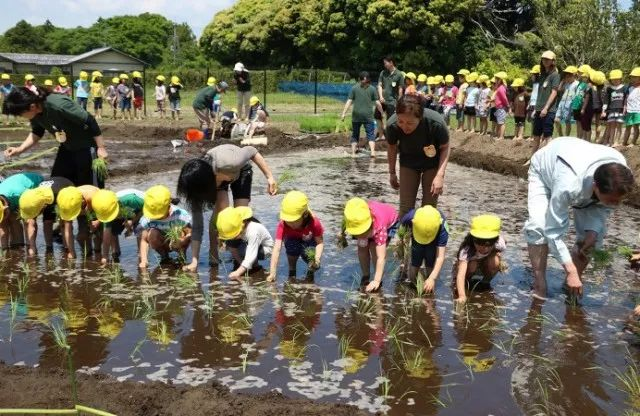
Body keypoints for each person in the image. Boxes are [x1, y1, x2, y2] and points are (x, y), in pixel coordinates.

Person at [524, 137, 634, 299]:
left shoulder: (621, 175)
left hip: (583, 164)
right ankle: (540, 283)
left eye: (619, 201)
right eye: (612, 201)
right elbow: (553, 232)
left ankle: (572, 284)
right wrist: (570, 269)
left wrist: (593, 231)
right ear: (596, 187)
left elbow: (604, 208)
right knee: (538, 226)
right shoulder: (568, 184)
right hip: (547, 169)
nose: (615, 205)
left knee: (592, 239)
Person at [176, 144, 277, 271]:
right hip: (217, 178)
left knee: (238, 219)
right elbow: (197, 226)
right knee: (221, 216)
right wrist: (194, 261)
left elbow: (252, 151)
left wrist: (270, 177)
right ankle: (213, 254)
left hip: (240, 171)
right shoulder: (199, 185)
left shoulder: (231, 161)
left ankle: (242, 257)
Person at [3, 87, 108, 189]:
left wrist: (101, 147)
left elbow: (89, 120)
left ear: (32, 106)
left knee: (89, 186)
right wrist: (20, 149)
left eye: (20, 114)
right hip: (67, 147)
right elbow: (37, 132)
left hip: (87, 147)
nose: (21, 117)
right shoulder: (35, 114)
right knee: (57, 181)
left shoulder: (57, 104)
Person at [386, 94, 450, 218]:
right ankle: (404, 237)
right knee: (405, 208)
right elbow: (392, 147)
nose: (404, 126)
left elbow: (445, 147)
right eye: (401, 121)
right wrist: (392, 172)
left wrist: (440, 176)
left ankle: (425, 236)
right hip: (408, 161)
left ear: (420, 118)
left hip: (432, 162)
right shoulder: (392, 125)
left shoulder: (435, 123)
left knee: (429, 208)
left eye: (410, 123)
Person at [342, 198, 398, 292]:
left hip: (390, 221)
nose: (360, 236)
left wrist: (376, 280)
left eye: (362, 232)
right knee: (362, 248)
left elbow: (381, 257)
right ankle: (366, 276)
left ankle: (378, 280)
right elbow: (361, 251)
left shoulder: (380, 227)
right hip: (368, 220)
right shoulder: (353, 217)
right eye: (357, 233)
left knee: (374, 249)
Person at [267, 191, 324, 281]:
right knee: (291, 245)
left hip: (309, 242)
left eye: (294, 220)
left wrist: (316, 258)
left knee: (311, 256)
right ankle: (292, 271)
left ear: (305, 215)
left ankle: (310, 271)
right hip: (292, 240)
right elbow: (277, 248)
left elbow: (320, 243)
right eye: (288, 220)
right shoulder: (283, 224)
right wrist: (272, 273)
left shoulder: (314, 223)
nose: (290, 224)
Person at [453, 215, 506, 304]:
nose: (485, 249)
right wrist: (462, 296)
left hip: (484, 262)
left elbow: (500, 249)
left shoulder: (499, 243)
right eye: (480, 244)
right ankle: (468, 283)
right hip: (470, 264)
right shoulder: (467, 250)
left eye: (489, 245)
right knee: (473, 265)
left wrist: (495, 254)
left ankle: (485, 282)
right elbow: (460, 275)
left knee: (495, 261)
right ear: (473, 240)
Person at [138, 185, 192, 269]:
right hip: (162, 241)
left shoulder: (179, 215)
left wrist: (183, 241)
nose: (155, 217)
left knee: (178, 230)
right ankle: (164, 257)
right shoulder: (147, 218)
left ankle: (181, 256)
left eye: (158, 215)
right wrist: (144, 260)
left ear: (168, 207)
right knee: (152, 234)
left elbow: (190, 233)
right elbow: (144, 240)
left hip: (179, 242)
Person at [19, 176, 74, 255]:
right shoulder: (33, 198)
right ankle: (49, 246)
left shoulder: (59, 193)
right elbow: (31, 221)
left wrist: (70, 251)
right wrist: (32, 247)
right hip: (46, 191)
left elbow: (67, 223)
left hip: (65, 188)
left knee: (64, 221)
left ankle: (67, 248)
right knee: (47, 220)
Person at [399, 205, 448, 293]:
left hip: (434, 238)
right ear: (413, 222)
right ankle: (412, 284)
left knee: (430, 260)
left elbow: (440, 257)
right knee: (415, 260)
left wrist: (432, 278)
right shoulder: (409, 217)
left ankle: (429, 288)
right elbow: (402, 231)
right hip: (418, 235)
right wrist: (401, 243)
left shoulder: (442, 227)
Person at [216, 206, 273, 279]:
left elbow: (251, 254)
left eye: (235, 235)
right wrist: (241, 263)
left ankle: (253, 265)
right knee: (231, 243)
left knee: (245, 252)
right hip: (246, 244)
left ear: (243, 224)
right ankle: (246, 265)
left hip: (265, 249)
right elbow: (232, 248)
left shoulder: (253, 231)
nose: (233, 238)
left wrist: (238, 272)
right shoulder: (239, 226)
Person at [92, 189, 144, 265]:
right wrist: (104, 257)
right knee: (112, 230)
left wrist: (132, 221)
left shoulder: (131, 199)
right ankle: (116, 252)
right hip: (124, 213)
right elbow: (106, 236)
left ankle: (141, 254)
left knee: (139, 228)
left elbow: (145, 208)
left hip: (138, 211)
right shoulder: (107, 210)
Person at [340, 71, 384, 157]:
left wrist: (343, 113)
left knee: (355, 134)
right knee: (370, 134)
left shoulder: (354, 88)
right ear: (368, 79)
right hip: (368, 116)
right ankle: (372, 152)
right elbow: (377, 103)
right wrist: (382, 112)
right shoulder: (372, 89)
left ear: (359, 79)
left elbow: (349, 101)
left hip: (356, 116)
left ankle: (353, 153)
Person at [56, 185, 101, 259]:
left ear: (82, 201)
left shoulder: (94, 196)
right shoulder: (65, 201)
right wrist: (71, 252)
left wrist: (98, 221)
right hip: (79, 206)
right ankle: (87, 253)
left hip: (95, 207)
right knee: (82, 236)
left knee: (97, 234)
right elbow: (67, 229)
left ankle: (97, 252)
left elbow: (106, 214)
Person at [0, 172, 43, 249]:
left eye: (4, 214)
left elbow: (30, 218)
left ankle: (30, 246)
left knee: (28, 221)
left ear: (6, 208)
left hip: (36, 185)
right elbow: (2, 226)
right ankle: (16, 245)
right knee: (11, 219)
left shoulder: (18, 193)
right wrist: (3, 249)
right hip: (11, 195)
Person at [529, 51, 561, 156]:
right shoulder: (542, 76)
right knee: (536, 135)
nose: (545, 61)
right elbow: (539, 93)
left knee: (547, 135)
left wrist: (546, 108)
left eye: (547, 59)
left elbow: (554, 92)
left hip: (549, 110)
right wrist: (535, 108)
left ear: (553, 61)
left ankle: (548, 159)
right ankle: (532, 157)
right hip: (538, 109)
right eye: (543, 59)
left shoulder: (555, 75)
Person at [600, 69, 627, 147]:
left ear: (620, 79)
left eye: (617, 79)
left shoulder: (624, 87)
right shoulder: (609, 89)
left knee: (619, 126)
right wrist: (603, 110)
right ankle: (610, 141)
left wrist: (625, 108)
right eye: (613, 79)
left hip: (620, 109)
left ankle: (616, 141)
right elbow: (606, 100)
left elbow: (626, 98)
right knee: (611, 125)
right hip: (611, 110)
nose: (615, 81)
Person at [554, 66, 579, 137]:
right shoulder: (566, 84)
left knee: (567, 122)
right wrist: (562, 81)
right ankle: (561, 135)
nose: (567, 77)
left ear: (574, 75)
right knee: (556, 120)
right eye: (566, 75)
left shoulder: (577, 84)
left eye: (569, 76)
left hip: (569, 104)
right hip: (562, 103)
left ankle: (566, 137)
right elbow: (559, 90)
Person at [571, 64, 592, 139]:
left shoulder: (588, 85)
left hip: (581, 107)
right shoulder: (579, 83)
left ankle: (582, 138)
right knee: (578, 123)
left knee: (582, 124)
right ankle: (578, 137)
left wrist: (583, 108)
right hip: (576, 106)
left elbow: (586, 97)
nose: (578, 74)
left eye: (580, 72)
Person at [623, 67, 640, 146]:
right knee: (628, 126)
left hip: (637, 111)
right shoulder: (629, 88)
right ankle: (624, 142)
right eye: (632, 77)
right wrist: (625, 107)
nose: (633, 79)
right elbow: (627, 98)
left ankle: (633, 142)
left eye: (635, 77)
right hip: (629, 110)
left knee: (636, 126)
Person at [493, 72, 509, 140]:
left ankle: (501, 136)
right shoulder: (499, 87)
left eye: (496, 79)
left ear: (500, 80)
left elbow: (504, 98)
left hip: (501, 107)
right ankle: (499, 135)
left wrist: (507, 105)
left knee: (501, 122)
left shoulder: (501, 88)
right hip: (499, 108)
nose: (495, 80)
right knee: (499, 122)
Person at [527, 65, 541, 138]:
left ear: (537, 75)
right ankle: (532, 135)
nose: (531, 76)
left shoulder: (540, 85)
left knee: (536, 121)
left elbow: (539, 96)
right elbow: (533, 94)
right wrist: (529, 103)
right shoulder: (534, 84)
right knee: (532, 121)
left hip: (537, 104)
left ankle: (537, 136)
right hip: (532, 104)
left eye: (533, 75)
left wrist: (536, 107)